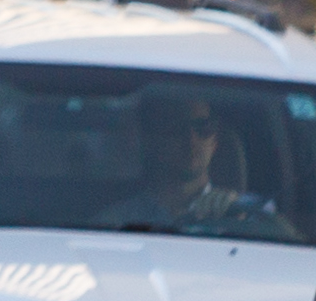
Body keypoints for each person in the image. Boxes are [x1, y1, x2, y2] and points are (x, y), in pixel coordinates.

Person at [94, 88, 281, 238]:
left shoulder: (250, 210)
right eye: (176, 128)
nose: (191, 140)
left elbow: (295, 246)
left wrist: (241, 218)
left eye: (203, 128)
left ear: (215, 141)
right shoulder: (116, 221)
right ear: (152, 142)